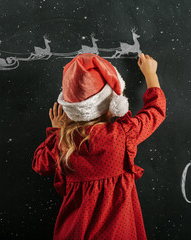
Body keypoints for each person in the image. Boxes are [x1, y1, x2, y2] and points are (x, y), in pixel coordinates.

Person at [32, 52, 166, 239]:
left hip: (75, 233)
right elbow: (156, 111)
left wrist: (56, 132)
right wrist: (151, 75)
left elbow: (40, 164)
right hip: (118, 233)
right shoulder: (123, 135)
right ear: (113, 102)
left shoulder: (64, 142)